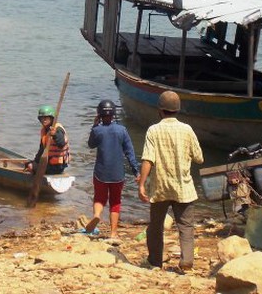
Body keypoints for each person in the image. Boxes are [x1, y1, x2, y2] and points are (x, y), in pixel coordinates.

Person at [138, 91, 203, 271]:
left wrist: (142, 184)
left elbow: (148, 159)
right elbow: (199, 158)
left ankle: (155, 261)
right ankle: (187, 259)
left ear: (160, 110)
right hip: (184, 188)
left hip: (161, 187)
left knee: (155, 227)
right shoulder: (187, 129)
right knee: (186, 227)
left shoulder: (153, 130)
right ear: (178, 110)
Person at [85, 99, 140, 238]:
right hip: (118, 174)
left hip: (100, 173)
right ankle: (113, 233)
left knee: (99, 198)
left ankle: (97, 215)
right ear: (114, 113)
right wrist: (136, 170)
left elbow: (91, 144)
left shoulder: (97, 130)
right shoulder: (122, 130)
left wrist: (94, 126)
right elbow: (129, 152)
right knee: (115, 201)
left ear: (99, 114)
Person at [24, 105, 70, 175]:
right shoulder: (45, 130)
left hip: (57, 166)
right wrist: (35, 161)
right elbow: (41, 150)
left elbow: (61, 143)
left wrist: (54, 135)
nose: (44, 120)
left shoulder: (57, 129)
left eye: (46, 118)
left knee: (30, 166)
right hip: (49, 164)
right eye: (42, 118)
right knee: (28, 163)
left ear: (51, 118)